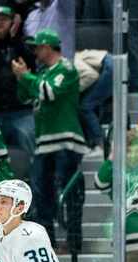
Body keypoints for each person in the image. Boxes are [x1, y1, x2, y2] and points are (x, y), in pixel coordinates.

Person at [13, 28, 87, 244]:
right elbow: (25, 98)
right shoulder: (43, 73)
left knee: (68, 192)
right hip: (44, 143)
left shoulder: (66, 68)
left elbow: (48, 93)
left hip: (66, 141)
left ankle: (73, 241)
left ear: (47, 47)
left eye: (37, 47)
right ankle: (48, 242)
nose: (35, 52)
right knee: (41, 193)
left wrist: (26, 76)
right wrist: (23, 79)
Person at [0, 5, 36, 157]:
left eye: (4, 19)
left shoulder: (24, 45)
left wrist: (14, 38)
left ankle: (35, 181)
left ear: (12, 22)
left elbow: (33, 67)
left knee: (32, 149)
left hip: (22, 111)